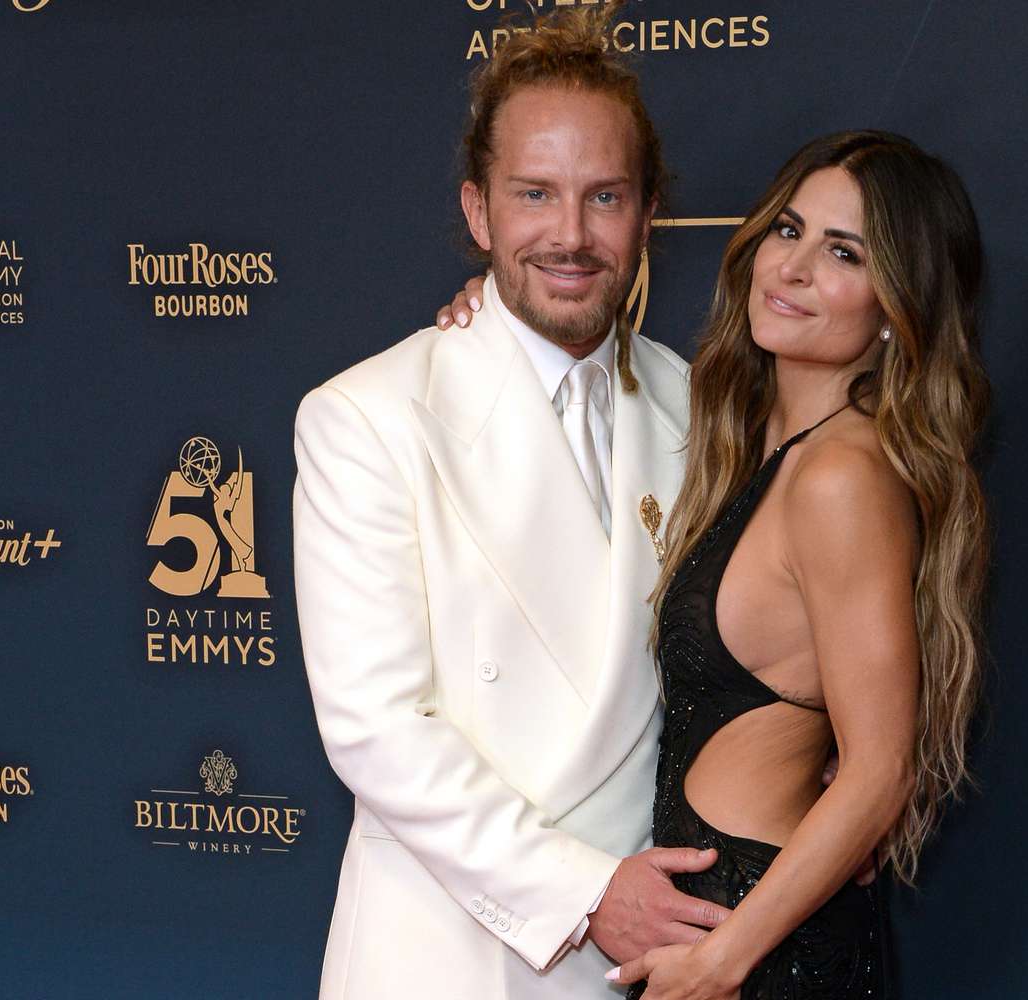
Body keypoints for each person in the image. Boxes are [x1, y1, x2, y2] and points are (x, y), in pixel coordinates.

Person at [440, 130, 991, 999]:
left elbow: (881, 767)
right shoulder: (745, 435)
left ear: (897, 305)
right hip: (720, 926)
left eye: (844, 253)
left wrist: (722, 960)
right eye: (789, 230)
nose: (794, 268)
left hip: (760, 946)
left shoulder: (841, 478)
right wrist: (495, 314)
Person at [292, 10, 731, 1000]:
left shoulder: (701, 407)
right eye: (535, 193)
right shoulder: (367, 416)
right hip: (452, 954)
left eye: (604, 196)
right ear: (480, 212)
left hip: (655, 954)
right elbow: (377, 728)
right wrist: (585, 891)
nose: (570, 235)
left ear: (648, 214)